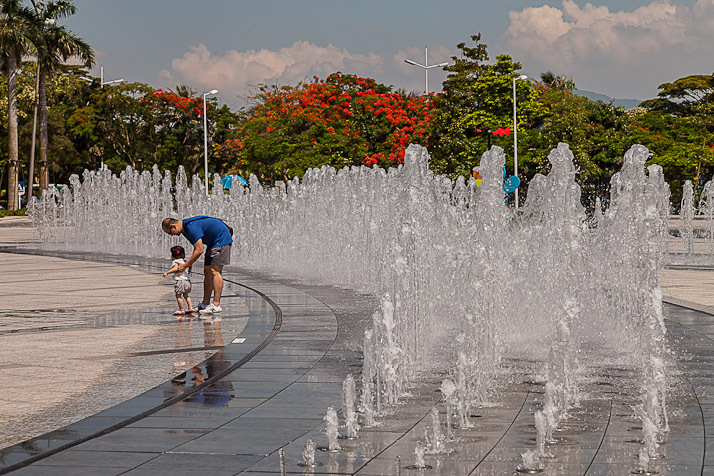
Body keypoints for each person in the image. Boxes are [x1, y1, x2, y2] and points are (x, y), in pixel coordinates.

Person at [161, 216, 232, 315]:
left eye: (169, 232)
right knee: (207, 272)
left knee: (215, 271)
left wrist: (185, 265)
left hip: (221, 240)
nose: (171, 235)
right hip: (213, 243)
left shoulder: (190, 227)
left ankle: (216, 305)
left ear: (173, 226)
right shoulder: (186, 228)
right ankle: (205, 303)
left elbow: (199, 250)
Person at [163, 245, 194, 317]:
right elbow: (190, 267)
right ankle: (190, 308)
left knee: (178, 296)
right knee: (186, 296)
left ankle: (181, 309)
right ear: (183, 254)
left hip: (180, 281)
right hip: (187, 281)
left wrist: (167, 272)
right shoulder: (185, 262)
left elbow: (175, 269)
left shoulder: (176, 262)